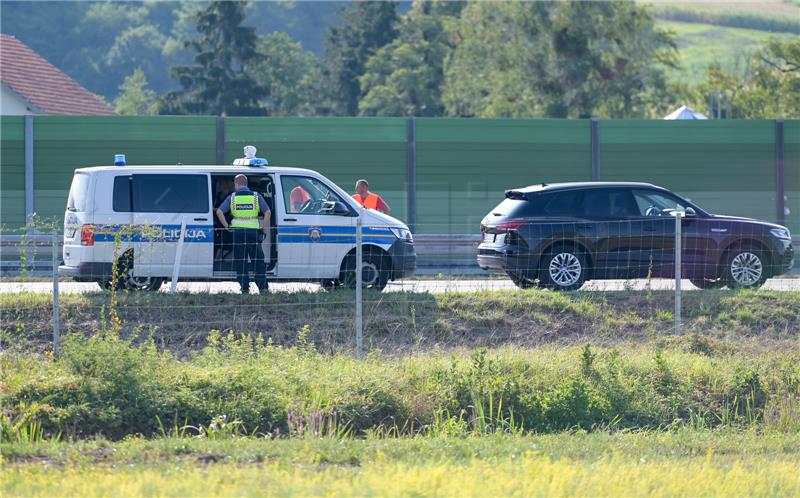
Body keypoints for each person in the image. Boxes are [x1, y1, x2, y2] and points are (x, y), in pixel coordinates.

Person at [216, 174, 270, 294]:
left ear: (237, 184)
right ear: (246, 184)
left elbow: (219, 211)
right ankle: (263, 288)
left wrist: (227, 226)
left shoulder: (232, 197)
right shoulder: (256, 197)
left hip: (237, 232)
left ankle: (244, 288)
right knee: (257, 260)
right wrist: (264, 229)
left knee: (241, 260)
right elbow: (268, 212)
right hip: (253, 232)